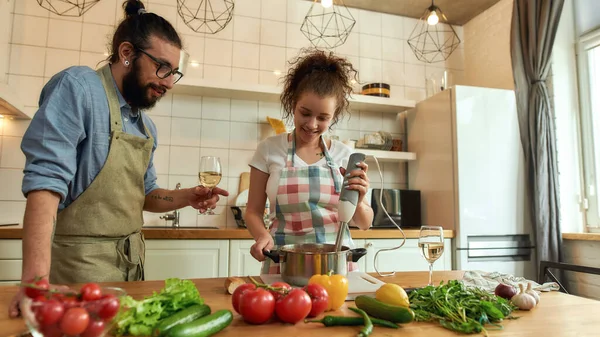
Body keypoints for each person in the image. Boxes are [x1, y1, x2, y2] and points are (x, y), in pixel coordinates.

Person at [9, 0, 228, 317]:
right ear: (127, 53)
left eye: (174, 72)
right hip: (79, 272)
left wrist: (188, 196)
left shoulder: (145, 126)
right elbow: (46, 184)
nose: (168, 82)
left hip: (131, 271)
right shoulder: (79, 89)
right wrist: (35, 282)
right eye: (162, 67)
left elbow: (146, 195)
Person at [246, 49, 373, 274]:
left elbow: (364, 223)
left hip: (337, 267)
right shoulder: (269, 149)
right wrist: (262, 236)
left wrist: (360, 202)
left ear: (333, 117)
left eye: (323, 118)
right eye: (305, 113)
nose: (312, 124)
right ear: (293, 104)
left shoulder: (345, 155)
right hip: (284, 264)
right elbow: (253, 211)